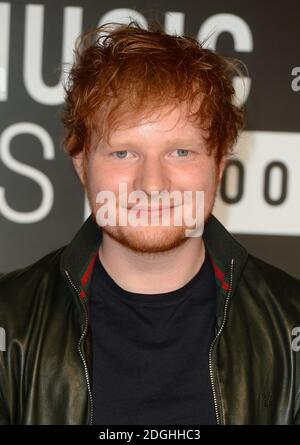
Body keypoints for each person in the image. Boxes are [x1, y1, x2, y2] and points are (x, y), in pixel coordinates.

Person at [0, 20, 299, 426]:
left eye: (180, 152)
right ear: (81, 166)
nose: (152, 184)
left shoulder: (289, 325)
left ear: (220, 165)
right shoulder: (8, 321)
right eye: (123, 153)